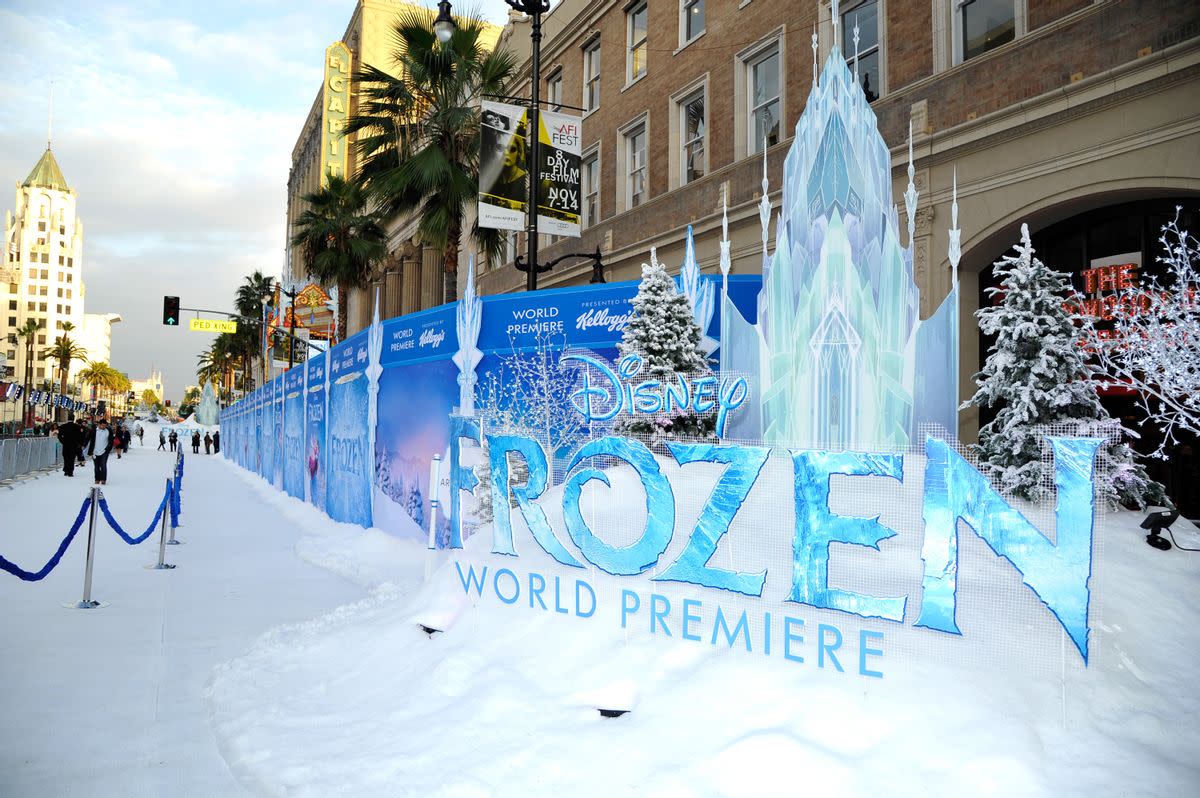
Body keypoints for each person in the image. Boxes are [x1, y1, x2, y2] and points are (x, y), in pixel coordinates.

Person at [86, 417, 114, 485]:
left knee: (103, 465)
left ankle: (103, 479)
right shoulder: (93, 430)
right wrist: (84, 445)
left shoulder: (108, 430)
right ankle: (97, 479)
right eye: (102, 425)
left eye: (105, 425)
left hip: (104, 451)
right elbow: (87, 438)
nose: (104, 427)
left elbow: (111, 440)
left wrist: (108, 449)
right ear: (99, 424)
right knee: (96, 466)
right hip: (95, 451)